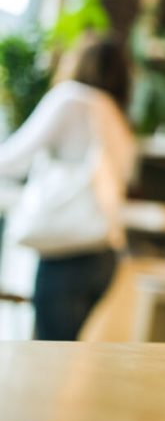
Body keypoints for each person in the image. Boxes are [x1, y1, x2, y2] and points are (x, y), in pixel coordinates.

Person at [0, 38, 136, 340]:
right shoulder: (119, 119)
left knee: (45, 356)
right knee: (59, 351)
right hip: (104, 259)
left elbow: (13, 159)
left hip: (68, 252)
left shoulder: (72, 99)